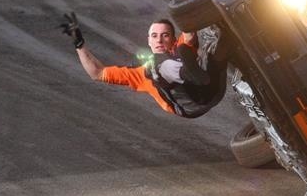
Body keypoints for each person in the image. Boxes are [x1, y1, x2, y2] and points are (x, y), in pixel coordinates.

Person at [59, 13, 227, 118]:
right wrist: (79, 44)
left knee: (218, 36)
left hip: (213, 90)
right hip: (190, 106)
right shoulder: (139, 73)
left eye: (165, 35)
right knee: (155, 65)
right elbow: (98, 73)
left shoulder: (180, 45)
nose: (159, 40)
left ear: (173, 39)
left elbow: (189, 30)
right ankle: (192, 75)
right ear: (149, 40)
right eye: (154, 36)